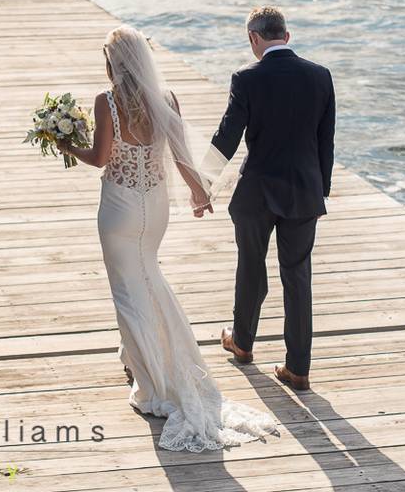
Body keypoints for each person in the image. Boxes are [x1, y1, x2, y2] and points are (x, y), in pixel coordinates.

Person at [58, 25, 277, 452]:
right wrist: (198, 191)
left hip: (119, 207)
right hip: (154, 207)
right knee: (149, 278)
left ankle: (151, 382)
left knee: (128, 292)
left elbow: (99, 158)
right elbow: (180, 154)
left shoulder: (107, 102)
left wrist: (67, 145)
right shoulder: (168, 99)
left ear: (112, 61)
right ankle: (143, 360)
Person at [209, 6, 336, 392]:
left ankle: (243, 343)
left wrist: (202, 181)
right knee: (297, 276)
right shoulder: (320, 76)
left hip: (258, 191)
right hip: (303, 191)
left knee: (251, 266)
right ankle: (298, 368)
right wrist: (321, 188)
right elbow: (324, 141)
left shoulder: (247, 78)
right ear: (287, 36)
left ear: (253, 38)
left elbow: (228, 136)